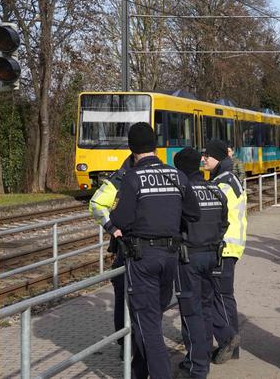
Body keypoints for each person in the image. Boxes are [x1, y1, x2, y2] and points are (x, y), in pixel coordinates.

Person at [110, 122, 201, 379]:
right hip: (170, 258)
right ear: (156, 146)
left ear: (131, 149)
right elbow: (193, 213)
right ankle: (139, 373)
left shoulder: (131, 179)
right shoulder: (177, 176)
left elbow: (121, 220)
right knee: (149, 319)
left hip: (142, 259)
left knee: (147, 324)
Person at [173, 147, 229, 379]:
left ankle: (197, 367)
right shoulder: (215, 190)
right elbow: (225, 222)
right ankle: (202, 357)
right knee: (206, 309)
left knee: (191, 312)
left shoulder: (183, 192)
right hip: (213, 256)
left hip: (189, 258)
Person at [202, 139, 248, 364]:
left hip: (223, 247)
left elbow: (214, 216)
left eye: (207, 155)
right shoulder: (228, 178)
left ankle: (228, 345)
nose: (203, 159)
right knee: (225, 298)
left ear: (217, 157)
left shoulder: (223, 182)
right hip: (230, 246)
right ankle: (230, 346)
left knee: (220, 298)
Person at [88, 154, 133, 357]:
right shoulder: (121, 177)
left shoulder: (123, 176)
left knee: (125, 296)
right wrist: (111, 227)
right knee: (124, 296)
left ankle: (128, 344)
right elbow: (96, 204)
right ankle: (126, 344)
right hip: (126, 249)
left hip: (132, 249)